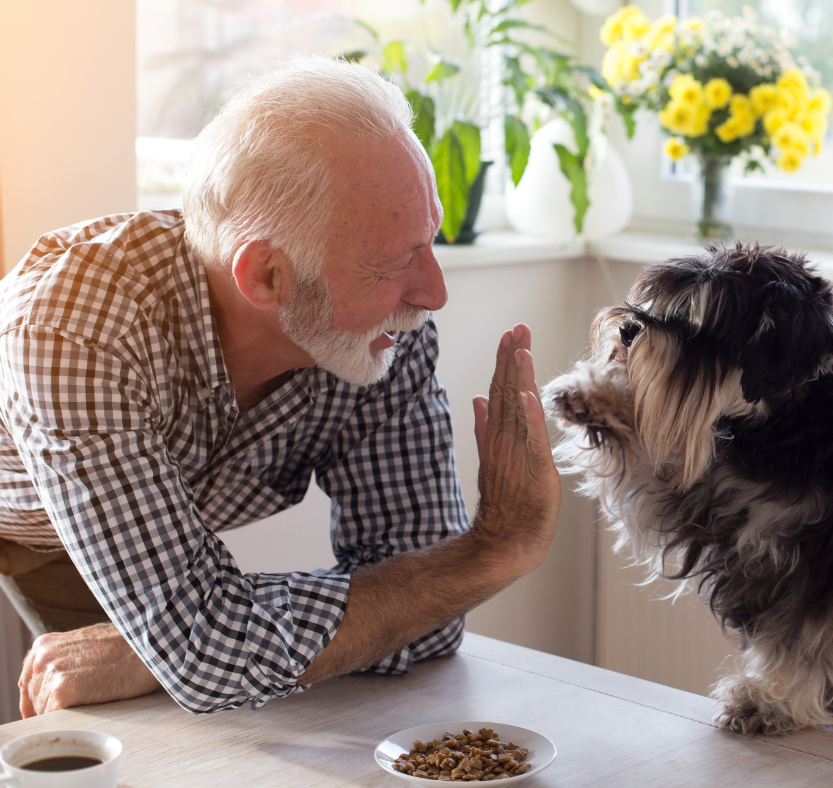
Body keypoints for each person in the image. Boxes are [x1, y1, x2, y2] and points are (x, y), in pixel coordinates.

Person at [0, 56, 562, 717]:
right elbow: (210, 655)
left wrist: (188, 642)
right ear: (266, 277)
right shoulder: (76, 327)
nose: (433, 292)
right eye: (394, 262)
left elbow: (430, 616)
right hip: (24, 522)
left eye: (429, 240)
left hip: (148, 523)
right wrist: (497, 549)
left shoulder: (382, 334)